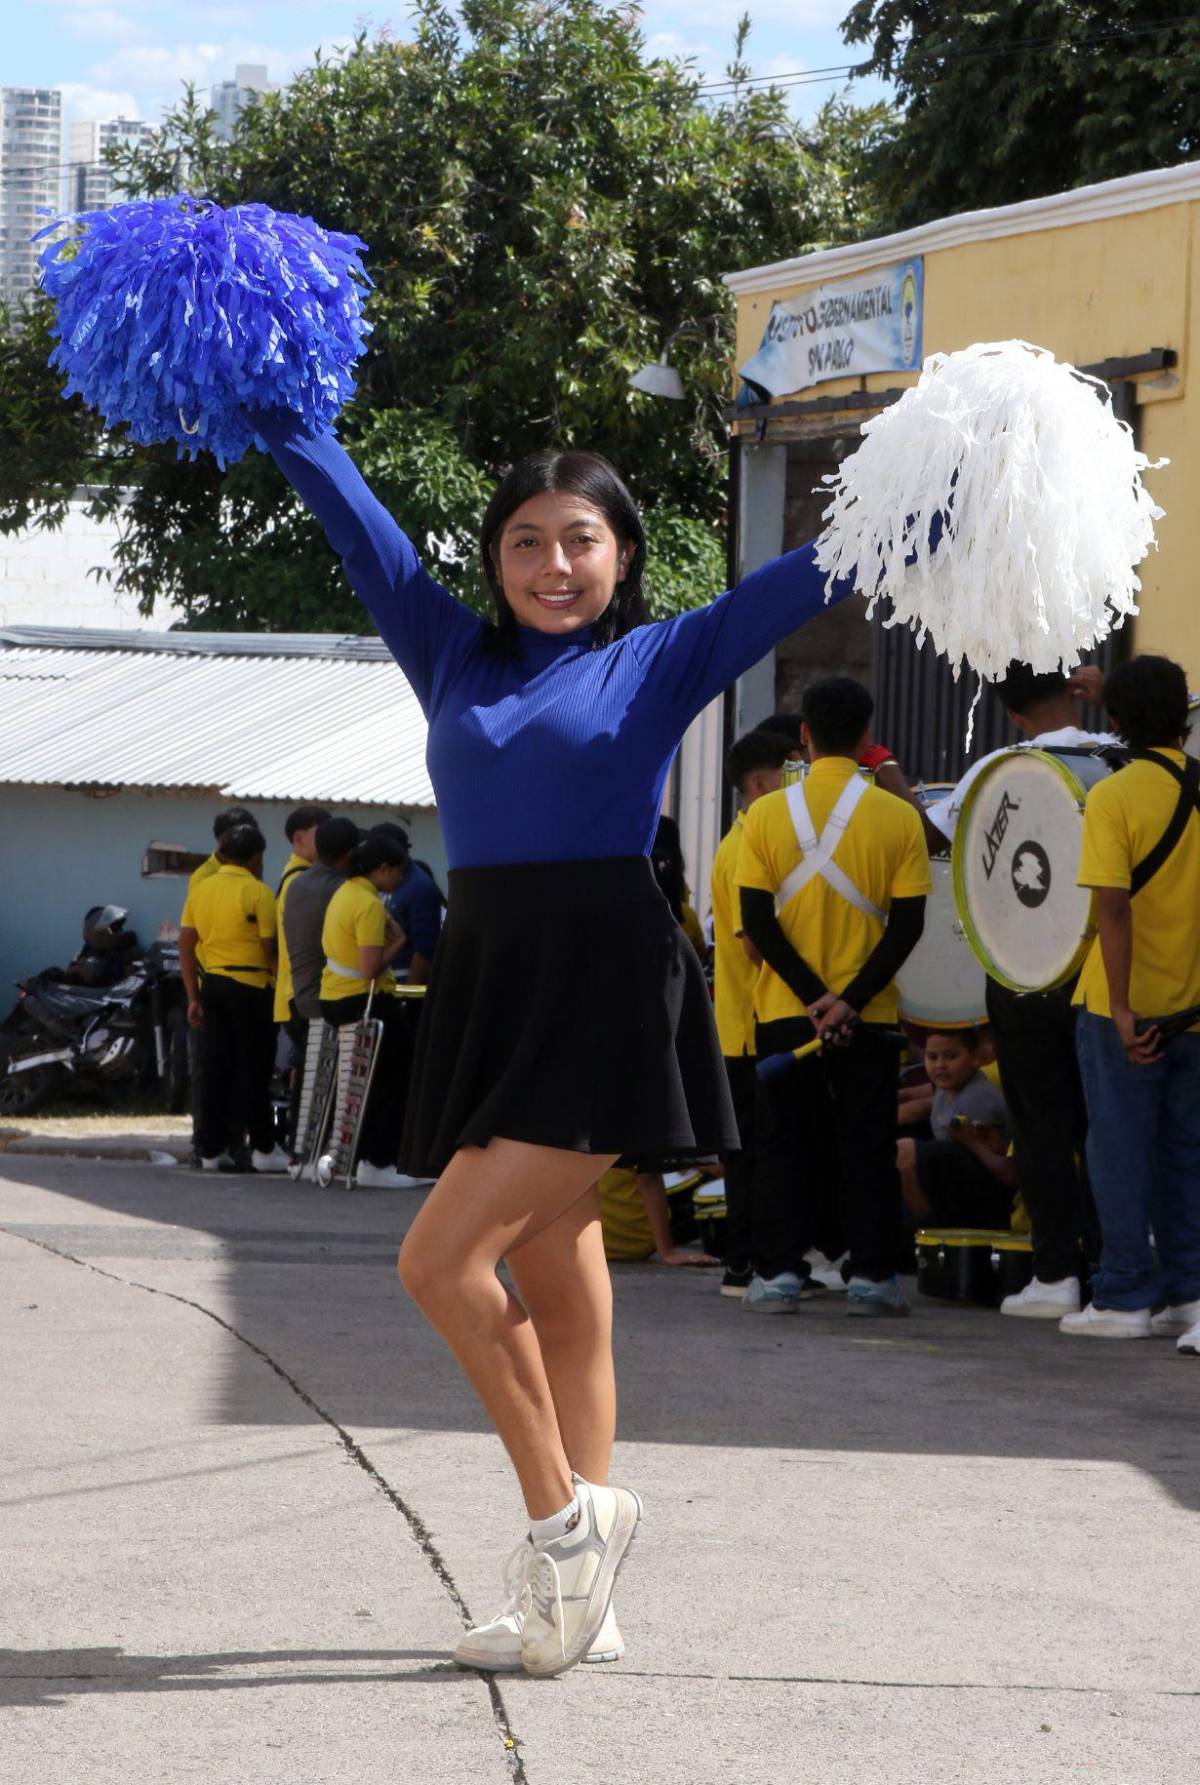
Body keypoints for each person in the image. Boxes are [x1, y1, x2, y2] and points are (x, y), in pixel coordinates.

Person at [254, 400, 865, 1683]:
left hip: (602, 980)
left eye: (580, 539)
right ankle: (583, 1601)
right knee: (567, 1291)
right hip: (494, 978)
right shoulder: (449, 652)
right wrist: (275, 401)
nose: (553, 564)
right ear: (494, 560)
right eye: (525, 541)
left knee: (437, 1262)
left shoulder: (661, 657)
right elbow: (359, 530)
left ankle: (567, 1526)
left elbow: (814, 571)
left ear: (623, 554)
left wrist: (954, 472)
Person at [737, 675, 931, 1317]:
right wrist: (848, 1001)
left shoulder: (764, 815)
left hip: (785, 1012)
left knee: (783, 1145)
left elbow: (757, 922)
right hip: (867, 1015)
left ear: (804, 736)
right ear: (866, 736)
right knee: (867, 1145)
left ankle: (778, 1275)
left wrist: (813, 997)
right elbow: (907, 925)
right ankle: (872, 1276)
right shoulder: (898, 818)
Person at [926, 662, 1114, 1320]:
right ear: (1075, 690)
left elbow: (933, 837)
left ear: (1010, 713)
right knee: (1108, 1124)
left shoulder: (996, 769)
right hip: (1107, 969)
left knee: (1039, 1125)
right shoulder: (1120, 758)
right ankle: (1116, 1270)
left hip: (1022, 971)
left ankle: (1056, 1272)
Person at [1059, 654, 1200, 1344]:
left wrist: (1118, 1009)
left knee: (1119, 1151)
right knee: (1186, 1153)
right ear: (1184, 717)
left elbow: (1112, 907)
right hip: (1194, 1007)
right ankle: (1189, 1292)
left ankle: (1122, 1295)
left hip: (1125, 1007)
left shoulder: (1114, 796)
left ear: (1114, 721)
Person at [709, 728, 793, 1296]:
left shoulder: (746, 838)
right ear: (761, 784)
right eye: (791, 774)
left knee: (752, 1150)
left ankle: (750, 1262)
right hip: (748, 1025)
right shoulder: (747, 845)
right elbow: (753, 943)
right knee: (753, 1153)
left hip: (746, 1023)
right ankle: (747, 1264)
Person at [179, 823, 288, 1174]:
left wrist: (193, 996)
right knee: (254, 1068)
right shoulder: (258, 892)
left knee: (214, 1069)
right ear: (256, 858)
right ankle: (262, 1147)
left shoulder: (201, 889)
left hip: (211, 984)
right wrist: (284, 989)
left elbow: (186, 945)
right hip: (252, 985)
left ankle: (210, 1151)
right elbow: (269, 951)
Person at [319, 830, 418, 1189]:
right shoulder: (370, 904)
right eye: (398, 871)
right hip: (365, 999)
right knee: (393, 1079)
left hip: (334, 995)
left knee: (365, 1082)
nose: (400, 879)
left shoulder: (344, 893)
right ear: (382, 868)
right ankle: (378, 1161)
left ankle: (361, 1157)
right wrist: (400, 941)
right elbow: (370, 967)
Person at [280, 815, 362, 1153]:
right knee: (331, 1086)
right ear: (350, 854)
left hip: (298, 994)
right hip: (328, 999)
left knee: (310, 1080)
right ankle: (322, 1153)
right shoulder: (340, 891)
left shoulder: (298, 884)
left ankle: (300, 1153)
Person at [184, 804, 258, 1167]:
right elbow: (194, 936)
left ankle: (232, 1138)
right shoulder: (206, 877)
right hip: (213, 980)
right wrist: (195, 993)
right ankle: (206, 1143)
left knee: (236, 1066)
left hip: (234, 981)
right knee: (210, 1068)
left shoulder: (247, 873)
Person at [897, 1028, 1013, 1230]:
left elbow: (999, 1167)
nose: (940, 1065)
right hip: (953, 1178)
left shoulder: (978, 1098)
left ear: (975, 1057)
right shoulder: (946, 1089)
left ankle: (926, 1229)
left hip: (988, 1193)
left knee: (906, 1151)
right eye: (932, 1057)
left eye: (951, 1056)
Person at [379, 824, 445, 987]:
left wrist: (412, 986)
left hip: (405, 979)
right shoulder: (390, 879)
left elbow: (426, 945)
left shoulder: (418, 886)